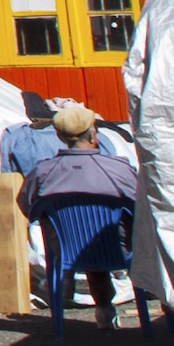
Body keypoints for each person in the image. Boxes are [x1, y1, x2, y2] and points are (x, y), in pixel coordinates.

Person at [21, 113, 141, 328]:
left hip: (66, 250)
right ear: (93, 133)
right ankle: (108, 310)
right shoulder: (119, 169)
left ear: (59, 136)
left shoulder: (43, 171)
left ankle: (65, 278)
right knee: (106, 236)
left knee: (66, 233)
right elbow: (140, 205)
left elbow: (27, 207)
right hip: (117, 249)